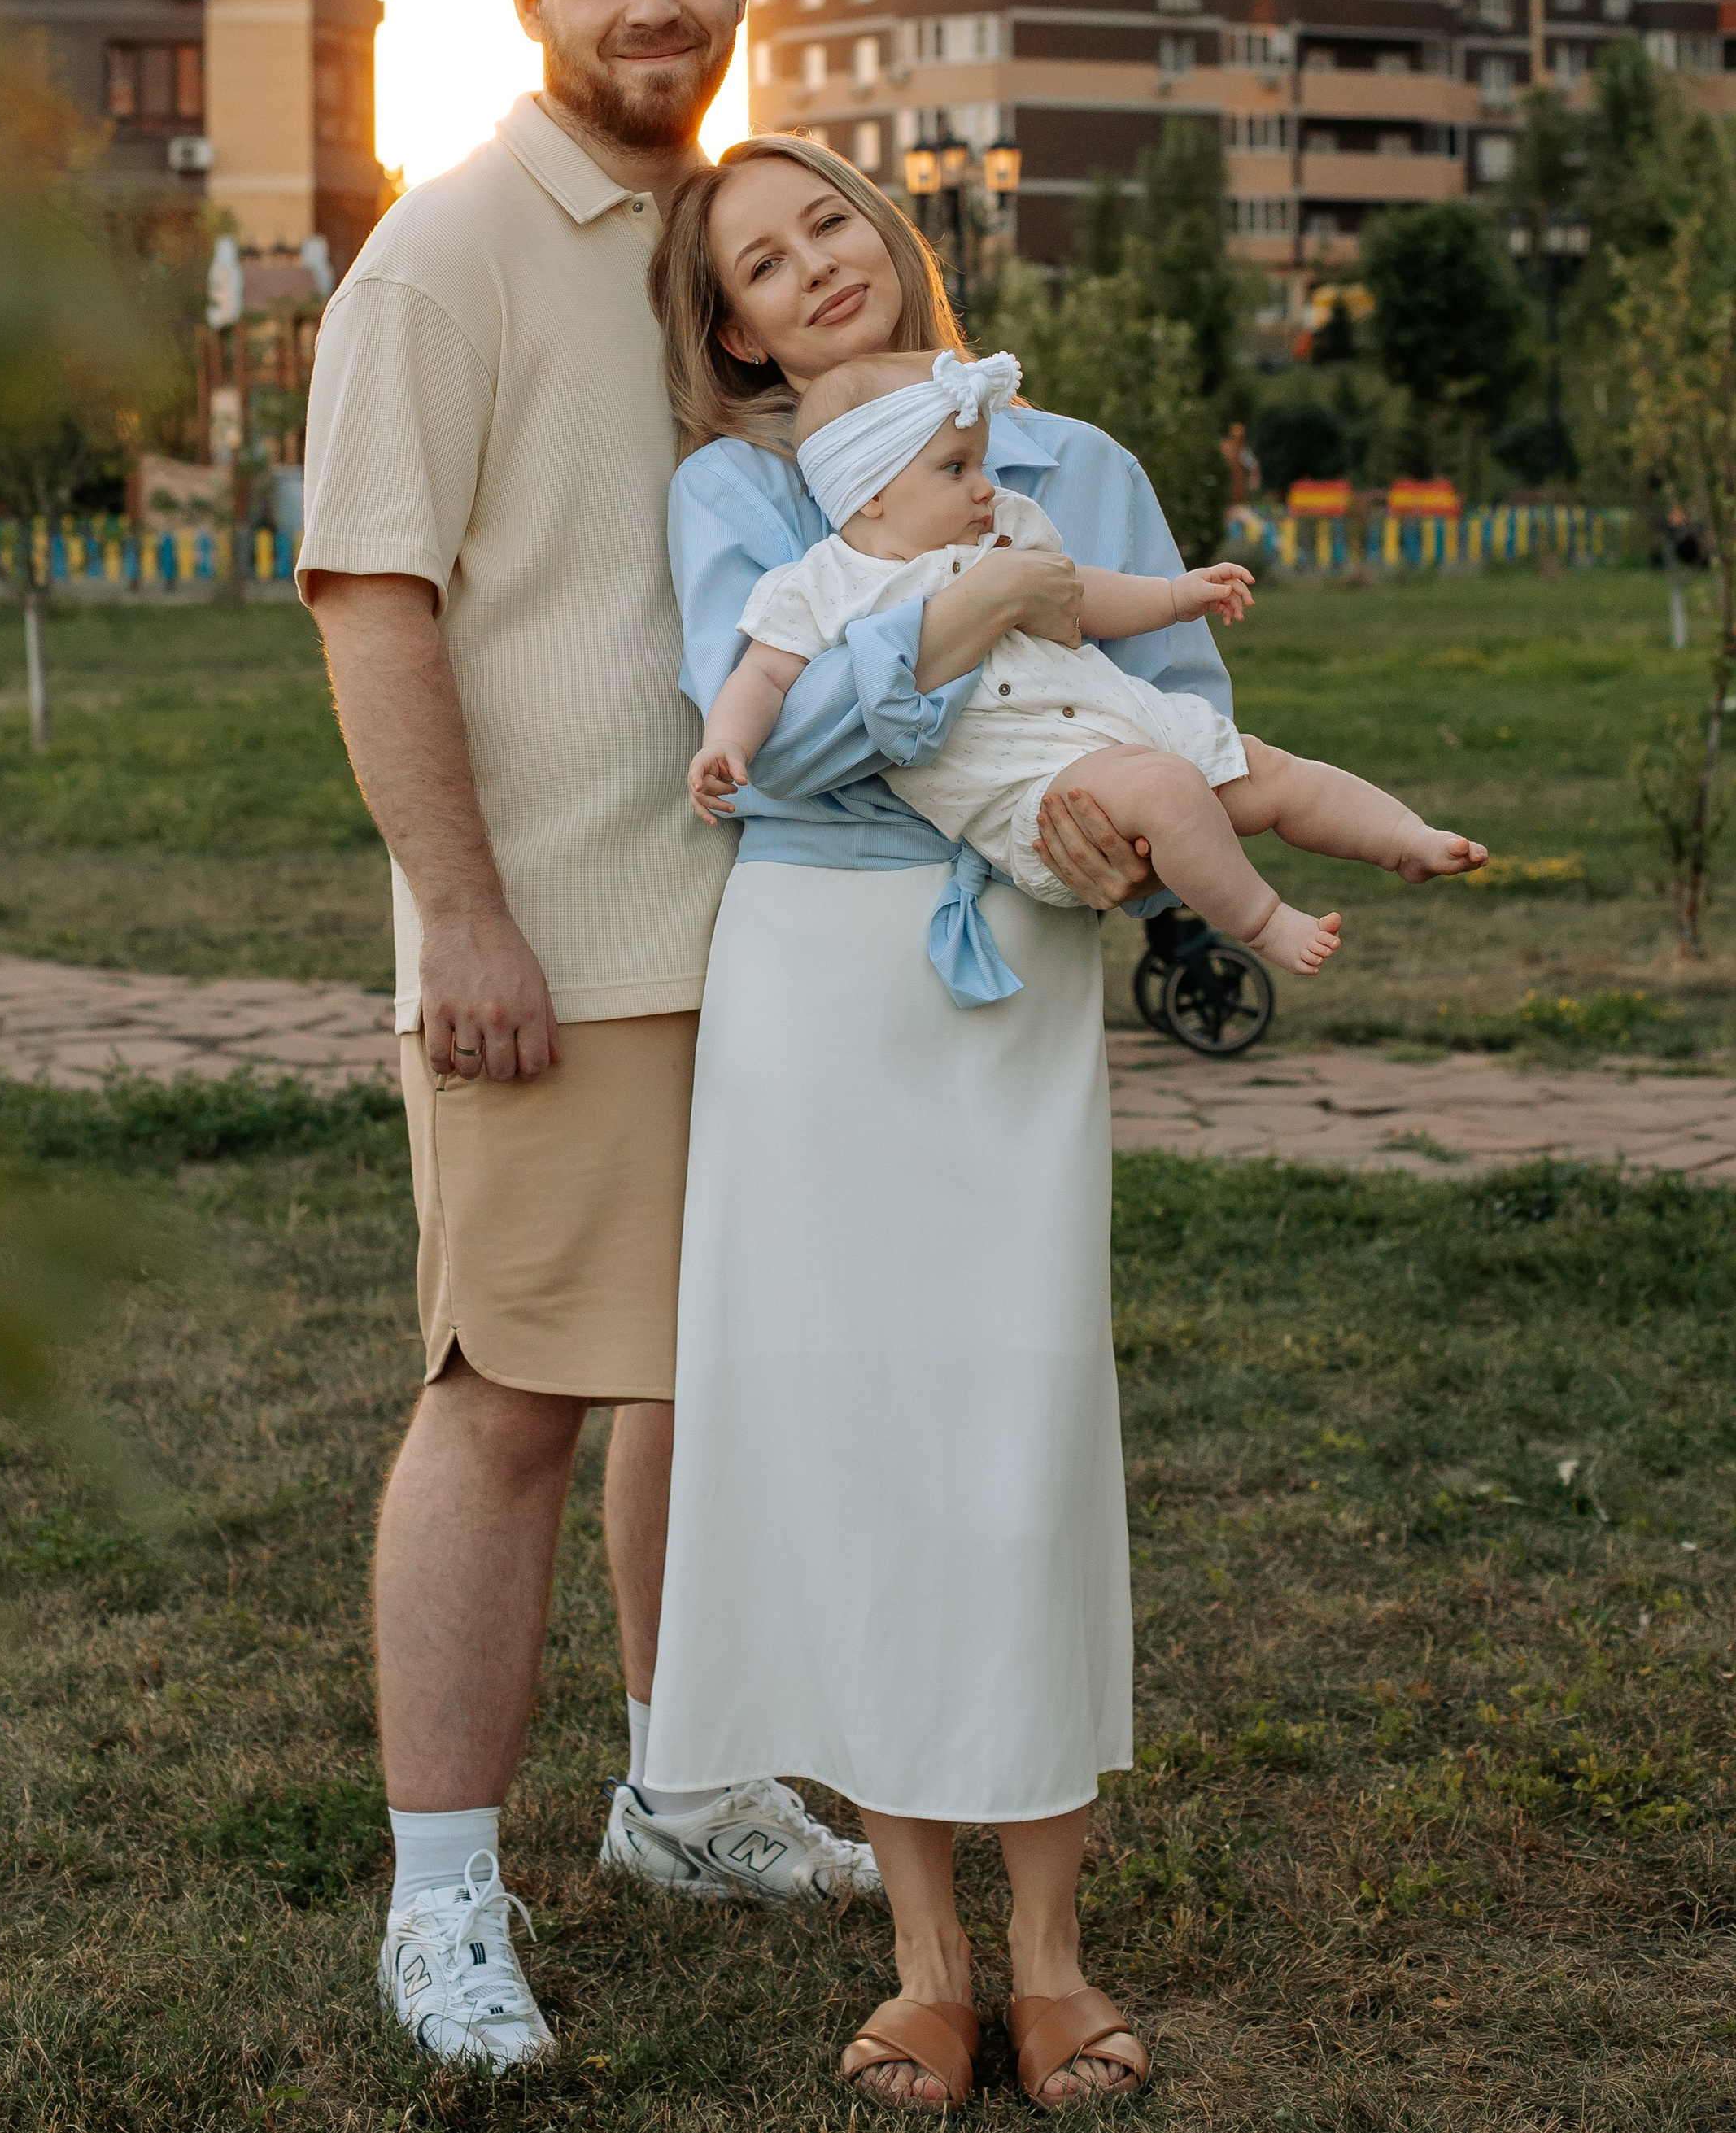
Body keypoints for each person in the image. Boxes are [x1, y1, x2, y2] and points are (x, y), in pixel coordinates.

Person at [296, 0, 876, 2080]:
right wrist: (459, 912)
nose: (655, 2)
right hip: (555, 944)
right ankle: (442, 1901)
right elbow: (374, 599)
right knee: (505, 1396)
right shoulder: (444, 255)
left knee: (697, 1378)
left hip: (771, 929)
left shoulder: (719, 246)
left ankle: (688, 1784)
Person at [643, 137, 1223, 2112]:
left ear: (889, 242)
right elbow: (753, 738)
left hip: (1011, 970)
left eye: (831, 223)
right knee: (863, 1443)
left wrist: (1127, 854)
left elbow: (1185, 718)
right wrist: (970, 615)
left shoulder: (1076, 456)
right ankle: (927, 1959)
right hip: (809, 992)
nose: (812, 266)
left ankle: (1053, 1956)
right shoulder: (729, 493)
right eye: (761, 260)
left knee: (1013, 1437)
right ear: (728, 324)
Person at [691, 347, 1486, 978]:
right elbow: (761, 675)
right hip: (1039, 793)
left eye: (982, 462)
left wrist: (1175, 596)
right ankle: (1265, 922)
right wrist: (727, 744)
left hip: (1124, 725)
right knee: (1171, 790)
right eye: (954, 469)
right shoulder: (824, 583)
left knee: (1269, 769)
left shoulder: (1004, 529)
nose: (983, 485)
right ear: (867, 492)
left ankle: (1404, 839)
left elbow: (1083, 595)